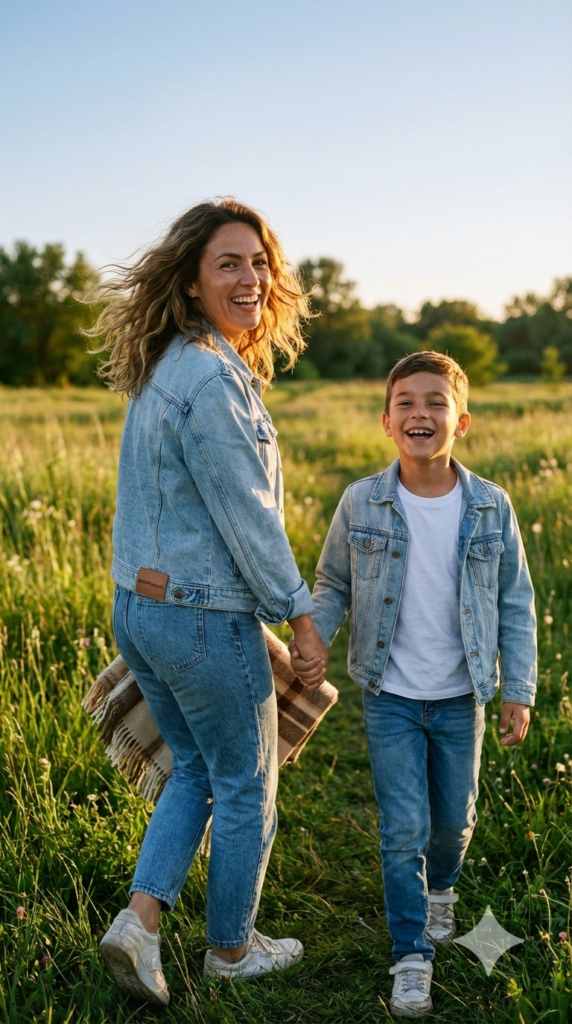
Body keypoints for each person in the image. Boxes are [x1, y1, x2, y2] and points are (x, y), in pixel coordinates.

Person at [90, 199, 328, 1006]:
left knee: (195, 766)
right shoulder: (211, 380)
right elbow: (250, 519)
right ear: (192, 284)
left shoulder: (167, 364)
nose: (252, 277)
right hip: (198, 615)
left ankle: (140, 921)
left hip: (141, 607)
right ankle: (231, 951)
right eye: (229, 263)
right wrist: (298, 616)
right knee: (247, 784)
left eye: (259, 262)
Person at [290, 351, 537, 1019]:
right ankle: (411, 956)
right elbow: (334, 583)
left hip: (462, 696)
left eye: (435, 402)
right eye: (406, 402)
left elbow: (515, 601)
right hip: (390, 695)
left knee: (453, 824)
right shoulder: (361, 501)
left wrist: (519, 689)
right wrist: (314, 639)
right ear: (386, 420)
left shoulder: (489, 506)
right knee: (403, 830)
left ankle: (443, 892)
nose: (420, 412)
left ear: (461, 421)